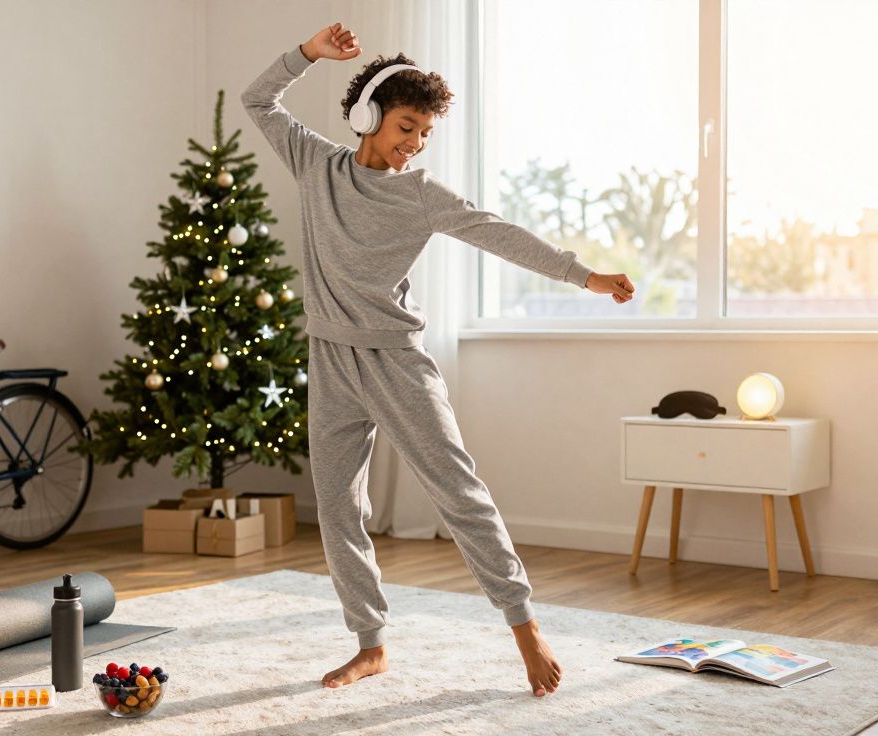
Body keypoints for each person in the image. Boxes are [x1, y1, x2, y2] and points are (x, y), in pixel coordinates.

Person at [241, 21, 636, 698]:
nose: (413, 143)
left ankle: (524, 627)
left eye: (424, 132)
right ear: (368, 116)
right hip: (331, 358)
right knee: (337, 506)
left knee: (458, 494)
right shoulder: (315, 164)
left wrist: (585, 276)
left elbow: (501, 236)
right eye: (404, 126)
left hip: (396, 361)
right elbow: (259, 101)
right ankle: (370, 645)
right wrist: (309, 54)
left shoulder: (421, 194)